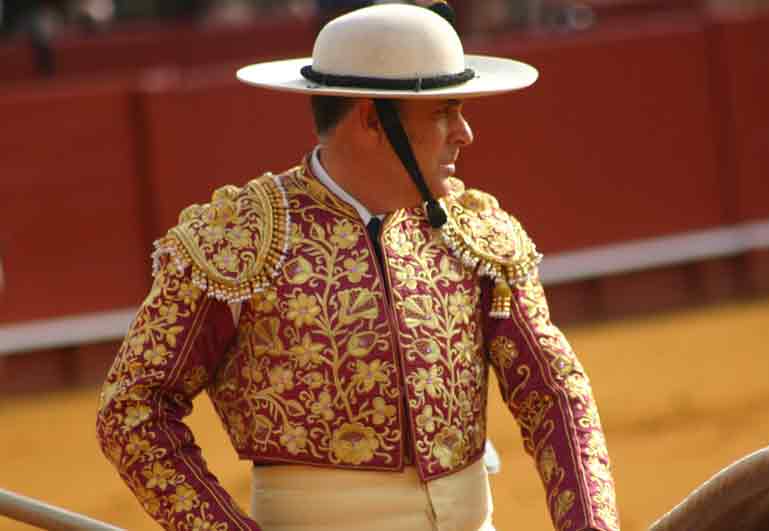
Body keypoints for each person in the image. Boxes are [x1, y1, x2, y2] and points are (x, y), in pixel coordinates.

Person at [96, 2, 620, 530]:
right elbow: (134, 408)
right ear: (373, 119)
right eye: (443, 112)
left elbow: (554, 393)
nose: (464, 133)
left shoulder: (475, 233)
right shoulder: (240, 239)